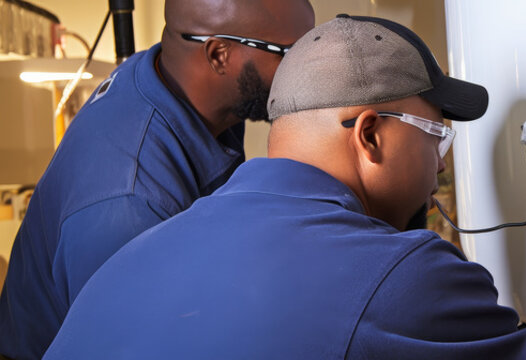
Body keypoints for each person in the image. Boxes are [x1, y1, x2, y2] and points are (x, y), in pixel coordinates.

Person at [44, 15, 526, 359]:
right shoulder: (398, 277)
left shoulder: (142, 252)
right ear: (370, 135)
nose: (440, 166)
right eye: (437, 136)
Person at [0, 1, 314, 358]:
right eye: (290, 54)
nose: (307, 71)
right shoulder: (131, 201)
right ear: (219, 56)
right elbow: (127, 346)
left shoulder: (180, 85)